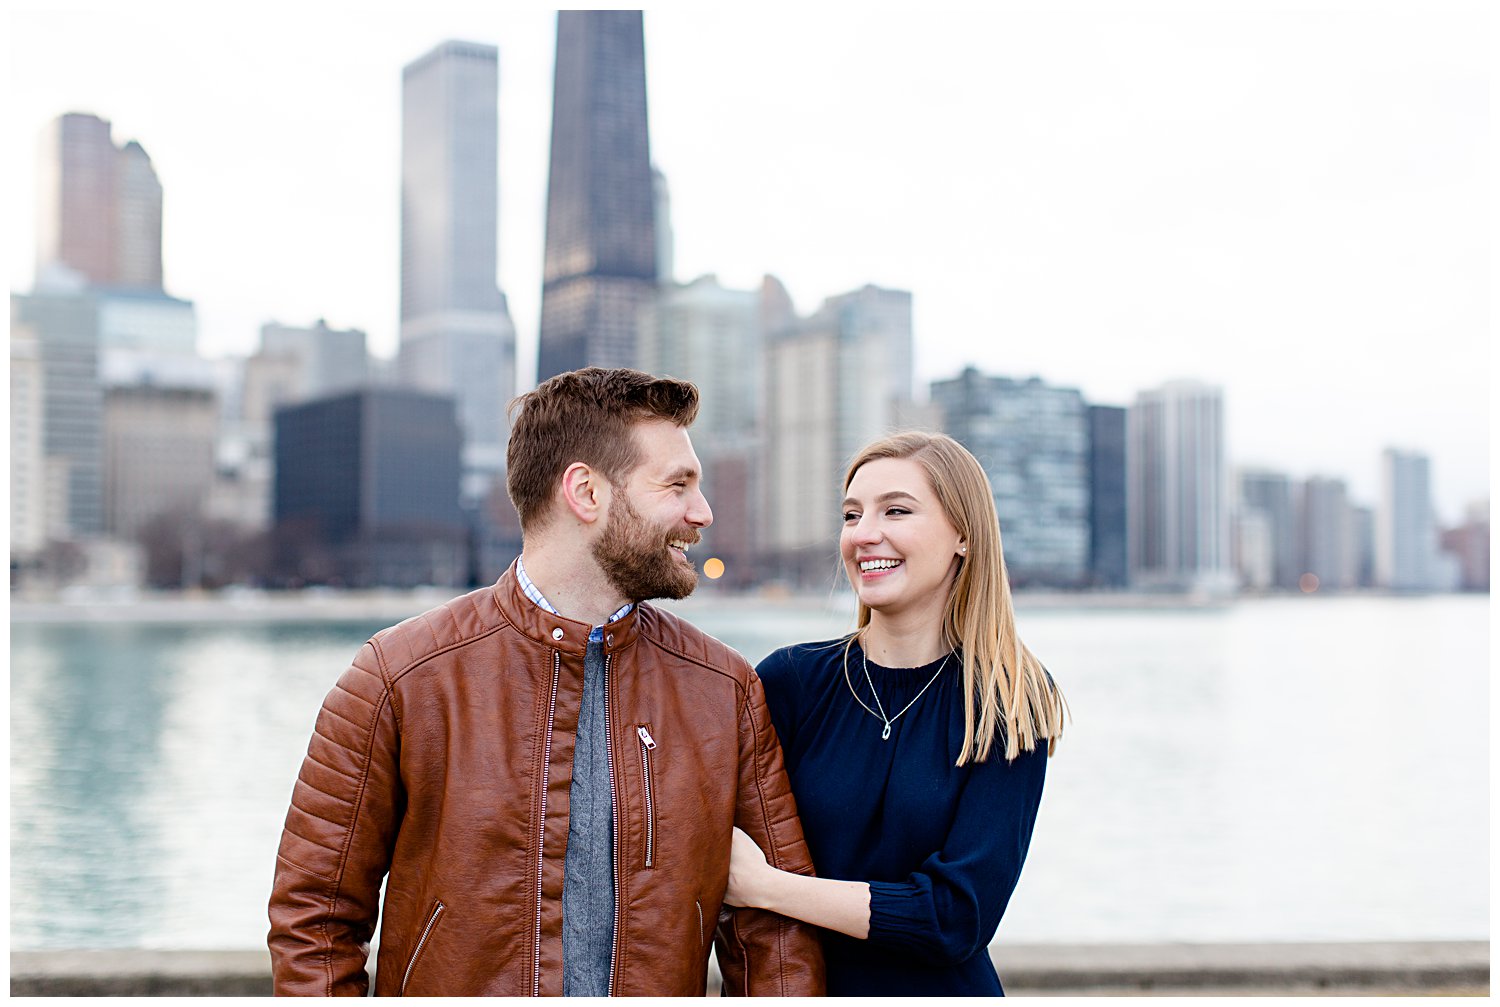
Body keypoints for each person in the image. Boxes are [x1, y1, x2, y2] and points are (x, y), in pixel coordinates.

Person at [267, 367, 825, 997]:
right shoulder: (398, 677)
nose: (703, 512)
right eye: (677, 485)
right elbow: (314, 919)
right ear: (585, 493)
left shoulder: (725, 689)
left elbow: (775, 938)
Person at [723, 431, 1067, 996]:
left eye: (896, 511)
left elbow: (955, 918)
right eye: (852, 515)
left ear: (963, 534)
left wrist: (766, 888)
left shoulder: (1008, 697)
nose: (864, 535)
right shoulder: (791, 681)